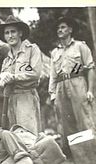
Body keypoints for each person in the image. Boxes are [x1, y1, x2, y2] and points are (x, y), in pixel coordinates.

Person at [48, 16, 96, 151]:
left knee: (84, 119)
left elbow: (90, 67)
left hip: (77, 82)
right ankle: (75, 154)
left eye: (62, 27)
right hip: (61, 87)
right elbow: (53, 75)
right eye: (58, 28)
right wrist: (52, 94)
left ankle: (90, 153)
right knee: (66, 122)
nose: (60, 30)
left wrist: (90, 90)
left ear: (70, 30)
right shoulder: (55, 52)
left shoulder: (80, 46)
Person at [0, 15, 42, 135]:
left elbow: (35, 74)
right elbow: (2, 84)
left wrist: (13, 77)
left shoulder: (32, 50)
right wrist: (1, 81)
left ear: (20, 33)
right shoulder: (6, 60)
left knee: (29, 134)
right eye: (7, 33)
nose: (10, 36)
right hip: (10, 100)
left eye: (13, 31)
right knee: (15, 136)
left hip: (26, 96)